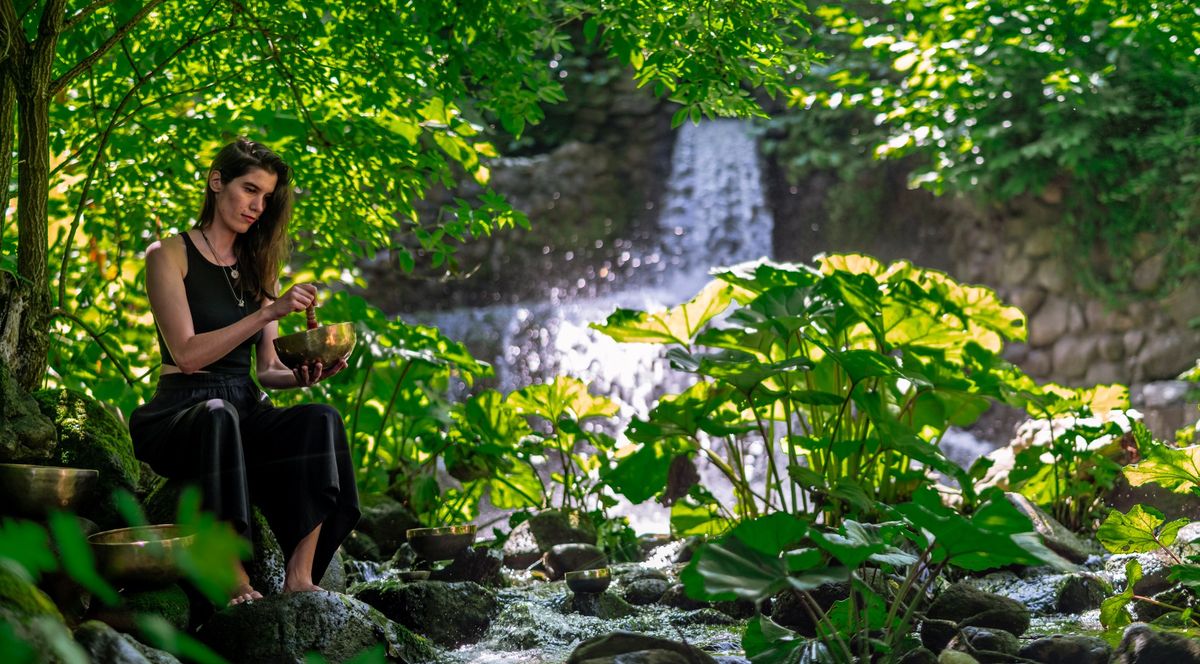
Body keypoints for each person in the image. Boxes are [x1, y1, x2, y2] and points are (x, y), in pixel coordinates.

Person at [130, 138, 361, 606]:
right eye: (249, 189)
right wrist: (264, 313)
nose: (257, 206)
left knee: (321, 419)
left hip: (243, 403)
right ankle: (235, 578)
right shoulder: (167, 256)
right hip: (185, 410)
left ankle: (300, 576)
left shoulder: (259, 268)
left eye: (266, 197)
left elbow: (269, 368)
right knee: (219, 414)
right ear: (217, 182)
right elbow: (188, 354)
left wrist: (305, 376)